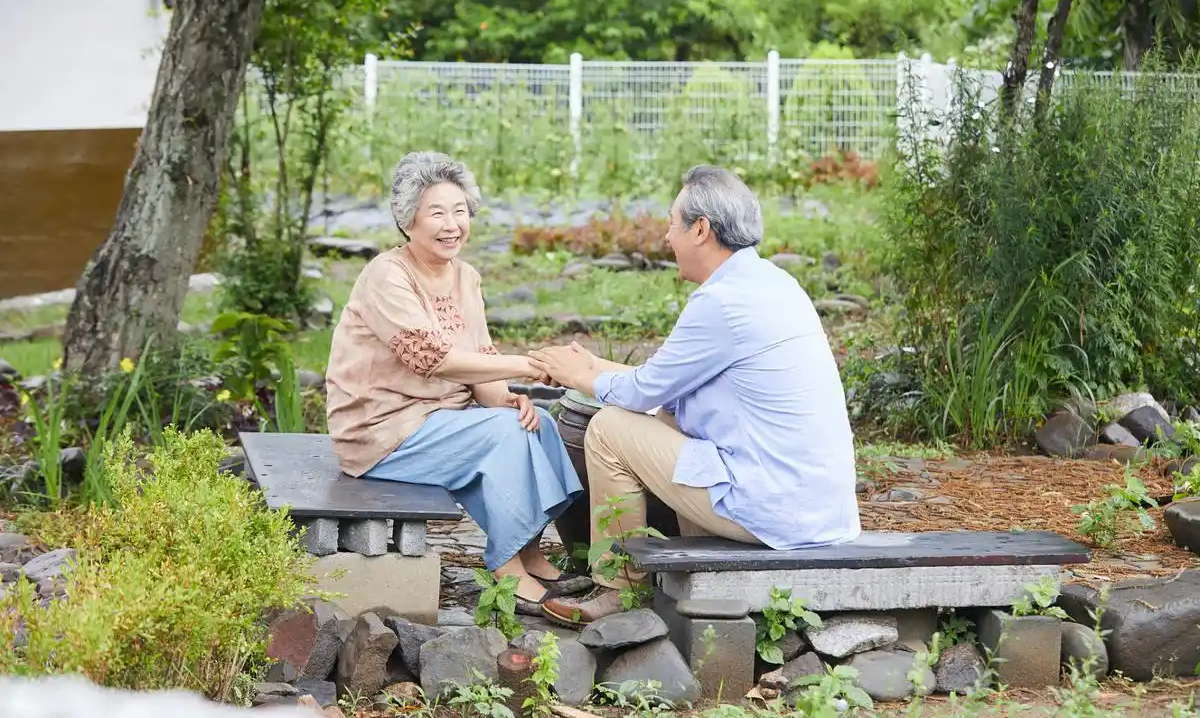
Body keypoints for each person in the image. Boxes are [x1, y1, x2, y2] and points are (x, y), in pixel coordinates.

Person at [529, 165, 861, 627]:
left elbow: (645, 389)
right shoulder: (772, 284)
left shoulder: (722, 304)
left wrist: (581, 377)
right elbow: (666, 380)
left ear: (700, 229)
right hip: (814, 509)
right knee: (660, 418)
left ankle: (619, 590)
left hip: (774, 512)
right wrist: (587, 366)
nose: (667, 236)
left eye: (671, 222)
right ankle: (655, 568)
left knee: (606, 429)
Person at [325, 151, 591, 612]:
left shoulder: (465, 276)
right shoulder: (387, 276)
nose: (452, 224)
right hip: (383, 429)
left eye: (460, 211)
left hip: (441, 420)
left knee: (537, 423)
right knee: (505, 436)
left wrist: (509, 399)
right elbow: (434, 358)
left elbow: (479, 358)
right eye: (437, 213)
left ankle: (530, 552)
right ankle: (506, 568)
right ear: (408, 221)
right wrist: (527, 365)